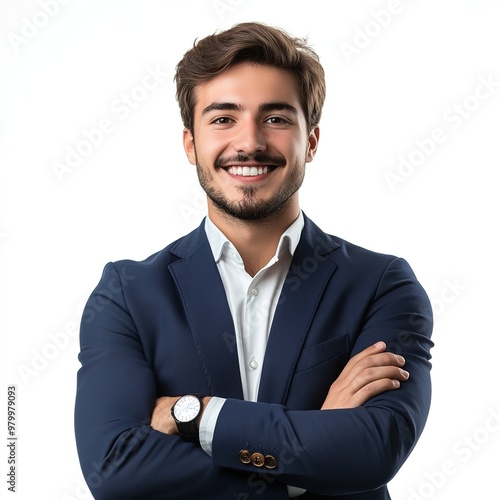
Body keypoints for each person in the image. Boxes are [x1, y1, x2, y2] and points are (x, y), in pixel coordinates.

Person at [74, 22, 433, 500]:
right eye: (223, 119)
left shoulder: (381, 284)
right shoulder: (127, 293)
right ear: (190, 143)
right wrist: (311, 457)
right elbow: (113, 468)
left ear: (312, 140)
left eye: (277, 119)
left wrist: (194, 415)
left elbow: (373, 449)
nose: (250, 142)